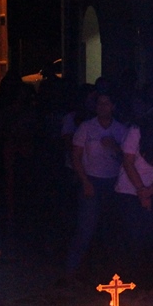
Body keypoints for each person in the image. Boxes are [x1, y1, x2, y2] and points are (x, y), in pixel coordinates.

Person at [62, 91, 128, 284]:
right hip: (91, 181)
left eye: (106, 103)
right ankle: (70, 272)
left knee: (111, 230)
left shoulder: (121, 129)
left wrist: (115, 147)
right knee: (85, 228)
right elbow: (76, 156)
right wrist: (85, 181)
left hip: (114, 184)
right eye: (99, 104)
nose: (102, 107)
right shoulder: (86, 127)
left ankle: (111, 274)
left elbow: (127, 160)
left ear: (113, 106)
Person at [116, 104, 153, 290]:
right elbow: (128, 162)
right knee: (134, 235)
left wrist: (150, 191)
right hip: (128, 190)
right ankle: (132, 280)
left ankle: (150, 279)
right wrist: (141, 190)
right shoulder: (136, 132)